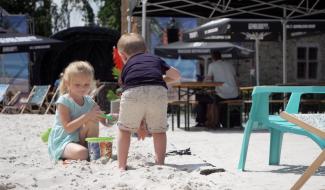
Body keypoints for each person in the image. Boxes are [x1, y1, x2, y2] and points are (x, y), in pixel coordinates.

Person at [116, 33, 180, 170]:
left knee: (124, 130)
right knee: (159, 131)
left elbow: (127, 86)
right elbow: (176, 75)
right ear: (146, 51)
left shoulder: (127, 66)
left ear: (122, 55)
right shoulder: (155, 59)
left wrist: (139, 124)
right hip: (158, 92)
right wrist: (161, 80)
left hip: (132, 92)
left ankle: (121, 165)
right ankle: (160, 163)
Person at [48, 61, 105, 161]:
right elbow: (68, 128)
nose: (82, 88)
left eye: (86, 85)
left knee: (94, 121)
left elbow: (102, 119)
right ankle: (83, 152)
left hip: (80, 138)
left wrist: (110, 118)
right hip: (64, 140)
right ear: (67, 84)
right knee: (82, 153)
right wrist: (88, 116)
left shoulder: (89, 101)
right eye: (77, 85)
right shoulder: (64, 101)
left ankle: (90, 149)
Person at [196, 50, 239, 128]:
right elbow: (236, 78)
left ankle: (205, 121)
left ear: (212, 57)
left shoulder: (212, 65)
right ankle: (218, 121)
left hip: (222, 95)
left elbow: (208, 79)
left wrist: (202, 83)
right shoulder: (230, 64)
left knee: (201, 99)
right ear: (221, 56)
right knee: (210, 98)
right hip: (235, 93)